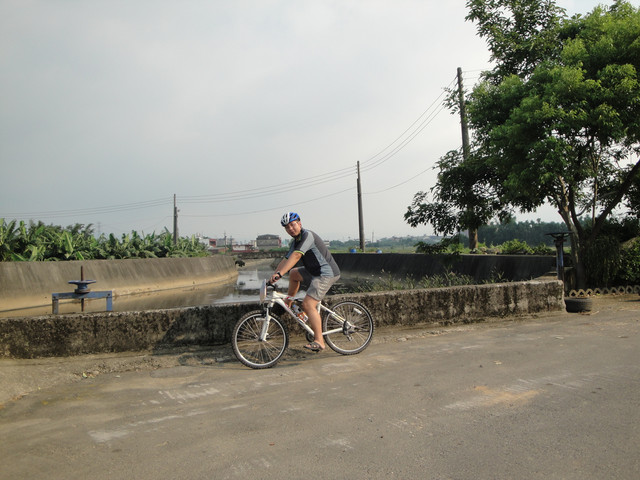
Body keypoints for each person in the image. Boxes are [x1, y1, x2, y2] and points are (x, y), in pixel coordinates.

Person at [270, 212, 340, 352]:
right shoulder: (296, 241)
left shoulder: (308, 236)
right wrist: (273, 277)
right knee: (294, 273)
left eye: (292, 225)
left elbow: (296, 256)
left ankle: (319, 341)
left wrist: (280, 274)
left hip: (326, 273)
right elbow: (286, 259)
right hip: (314, 271)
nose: (290, 228)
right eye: (287, 227)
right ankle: (288, 303)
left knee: (308, 304)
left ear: (300, 223)